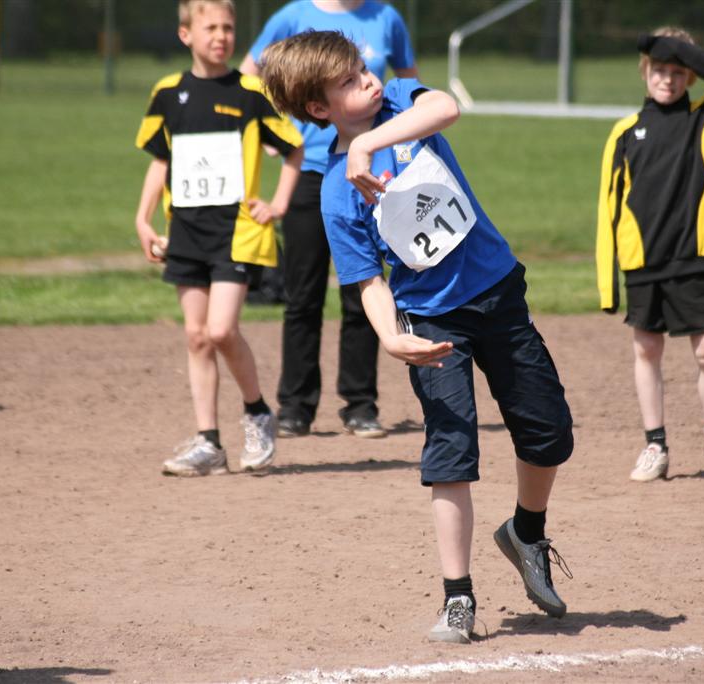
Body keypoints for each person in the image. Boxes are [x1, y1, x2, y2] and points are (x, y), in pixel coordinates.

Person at [259, 30, 575, 644]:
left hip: (498, 295)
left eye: (362, 68)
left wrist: (368, 141)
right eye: (349, 81)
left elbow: (447, 107)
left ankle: (526, 533)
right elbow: (365, 279)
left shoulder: (402, 102)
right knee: (451, 450)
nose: (368, 79)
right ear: (319, 107)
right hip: (431, 321)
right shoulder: (336, 192)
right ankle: (458, 597)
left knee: (549, 434)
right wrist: (389, 336)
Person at [134, 0, 304, 476]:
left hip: (238, 233)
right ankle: (208, 441)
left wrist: (278, 205)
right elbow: (161, 160)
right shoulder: (168, 93)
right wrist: (143, 219)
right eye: (209, 27)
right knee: (196, 335)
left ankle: (258, 412)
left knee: (221, 330)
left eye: (227, 28)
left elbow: (293, 148)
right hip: (185, 231)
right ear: (186, 34)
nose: (221, 36)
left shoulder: (251, 92)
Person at [239, 0, 418, 440]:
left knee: (363, 288)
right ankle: (296, 407)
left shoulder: (385, 17)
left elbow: (410, 80)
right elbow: (248, 75)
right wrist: (268, 132)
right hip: (310, 171)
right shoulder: (292, 15)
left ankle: (360, 405)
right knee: (303, 294)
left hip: (371, 171)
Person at [596, 27, 704, 483]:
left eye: (677, 71)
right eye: (659, 69)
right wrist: (607, 285)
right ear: (644, 71)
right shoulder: (624, 132)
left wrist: (679, 49)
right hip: (642, 262)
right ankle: (655, 447)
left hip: (693, 256)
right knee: (648, 349)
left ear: (689, 74)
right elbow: (608, 210)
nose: (667, 79)